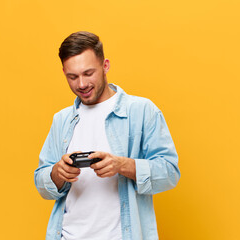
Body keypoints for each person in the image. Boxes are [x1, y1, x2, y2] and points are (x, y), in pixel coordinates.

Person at [34, 31, 180, 240]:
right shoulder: (62, 120)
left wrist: (122, 165)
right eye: (72, 77)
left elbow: (170, 172)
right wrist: (58, 173)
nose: (81, 84)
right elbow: (42, 181)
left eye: (88, 73)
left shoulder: (141, 111)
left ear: (105, 66)